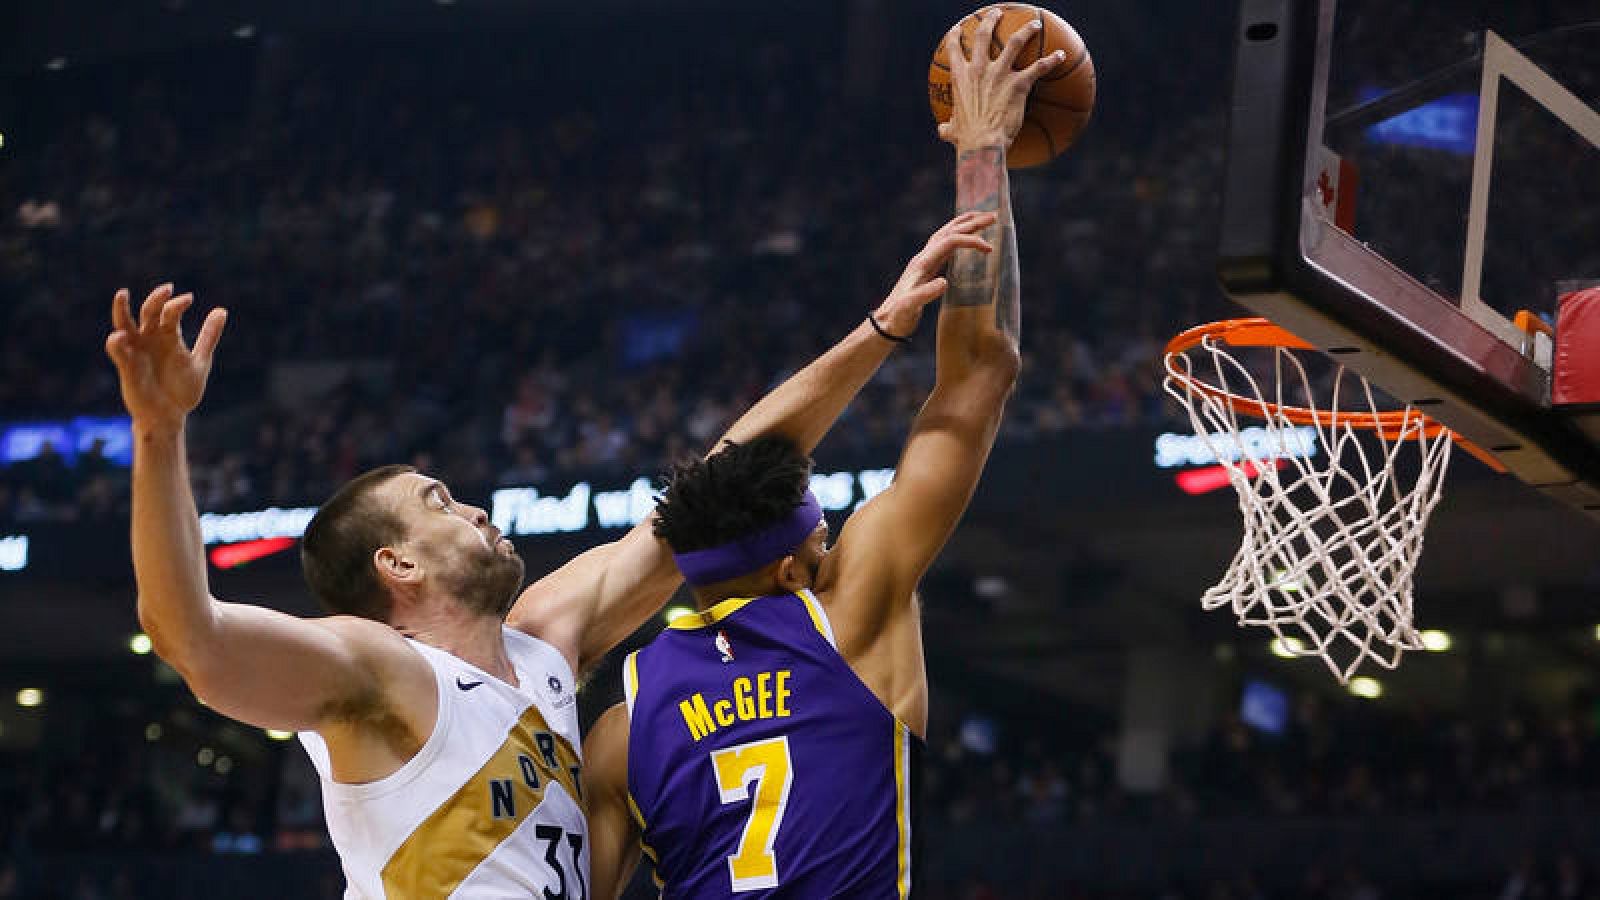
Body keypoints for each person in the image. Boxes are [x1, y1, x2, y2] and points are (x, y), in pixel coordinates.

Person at [101, 210, 991, 898]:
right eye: (438, 502)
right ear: (397, 567)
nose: (476, 506)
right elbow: (191, 636)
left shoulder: (544, 645)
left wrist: (878, 331)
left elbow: (712, 491)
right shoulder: (379, 672)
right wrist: (159, 435)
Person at [580, 12, 1058, 898]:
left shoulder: (622, 726)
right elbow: (978, 378)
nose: (835, 550)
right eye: (825, 540)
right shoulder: (848, 614)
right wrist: (982, 150)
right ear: (796, 567)